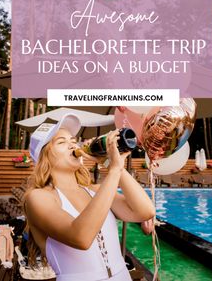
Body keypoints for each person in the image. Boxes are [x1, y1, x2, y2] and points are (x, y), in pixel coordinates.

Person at [24, 113, 155, 281]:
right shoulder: (38, 198)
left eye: (73, 140)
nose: (72, 145)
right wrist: (114, 170)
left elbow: (145, 211)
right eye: (62, 142)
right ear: (44, 157)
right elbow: (81, 237)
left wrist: (110, 163)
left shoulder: (95, 190)